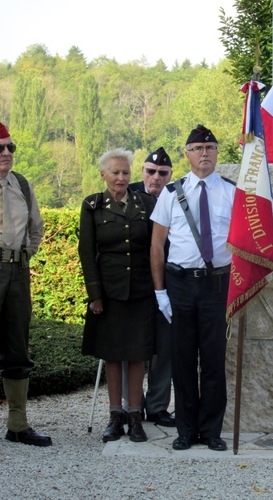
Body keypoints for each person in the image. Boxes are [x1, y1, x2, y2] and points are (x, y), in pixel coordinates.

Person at [150, 125, 235, 451]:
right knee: (182, 361)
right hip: (181, 285)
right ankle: (185, 430)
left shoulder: (231, 191)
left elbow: (242, 243)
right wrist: (161, 293)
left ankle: (211, 430)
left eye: (210, 148)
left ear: (216, 154)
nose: (205, 154)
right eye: (198, 148)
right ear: (187, 154)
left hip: (216, 285)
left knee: (214, 360)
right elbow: (157, 245)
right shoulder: (172, 193)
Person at [79, 148, 156, 443]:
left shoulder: (146, 203)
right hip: (108, 292)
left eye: (125, 172)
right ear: (103, 175)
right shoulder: (92, 206)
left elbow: (154, 248)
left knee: (137, 355)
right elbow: (87, 253)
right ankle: (115, 416)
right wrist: (94, 295)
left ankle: (135, 415)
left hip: (140, 290)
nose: (121, 178)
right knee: (112, 355)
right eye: (115, 173)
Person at [0, 118, 52, 447]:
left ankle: (18, 424)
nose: (6, 153)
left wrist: (23, 255)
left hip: (17, 272)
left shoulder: (21, 184)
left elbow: (36, 227)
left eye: (10, 147)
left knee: (17, 347)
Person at [121, 147, 175, 427]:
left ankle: (157, 407)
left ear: (170, 175)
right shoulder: (125, 195)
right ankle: (132, 405)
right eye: (150, 171)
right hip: (134, 285)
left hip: (168, 283)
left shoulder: (178, 196)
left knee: (164, 348)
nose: (156, 177)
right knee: (132, 347)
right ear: (142, 171)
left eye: (162, 173)